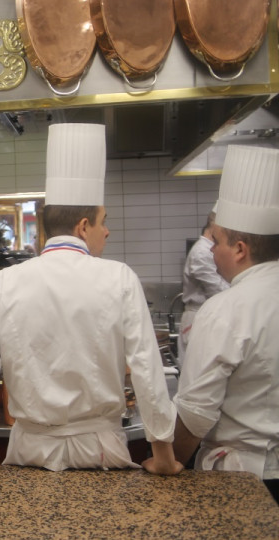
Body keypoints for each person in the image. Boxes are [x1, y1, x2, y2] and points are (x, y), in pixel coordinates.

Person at [0, 123, 182, 475]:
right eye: (103, 221)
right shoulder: (119, 277)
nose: (107, 231)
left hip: (29, 449)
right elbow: (146, 367)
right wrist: (164, 456)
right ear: (83, 226)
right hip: (100, 449)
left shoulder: (5, 282)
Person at [173, 145, 279, 504]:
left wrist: (170, 463)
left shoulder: (226, 309)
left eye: (215, 240)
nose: (210, 249)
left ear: (240, 249)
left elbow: (196, 412)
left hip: (244, 479)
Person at [177, 205, 229, 357]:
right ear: (215, 225)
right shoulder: (202, 252)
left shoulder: (207, 249)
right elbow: (220, 290)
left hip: (206, 318)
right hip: (198, 319)